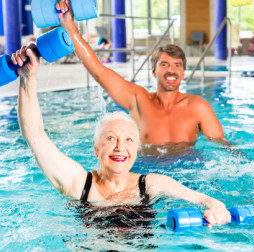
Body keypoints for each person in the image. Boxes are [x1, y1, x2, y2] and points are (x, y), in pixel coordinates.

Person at [12, 44, 231, 226]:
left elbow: (206, 200)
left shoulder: (151, 185)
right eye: (111, 138)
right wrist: (28, 79)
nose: (120, 147)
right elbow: (35, 137)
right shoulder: (78, 183)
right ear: (95, 148)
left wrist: (216, 209)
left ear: (136, 149)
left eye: (128, 140)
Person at [55, 1, 227, 146]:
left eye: (177, 65)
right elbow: (99, 72)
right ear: (153, 71)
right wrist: (69, 24)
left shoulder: (198, 107)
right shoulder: (139, 100)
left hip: (189, 177)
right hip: (147, 174)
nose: (171, 70)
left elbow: (223, 147)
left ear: (183, 73)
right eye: (164, 64)